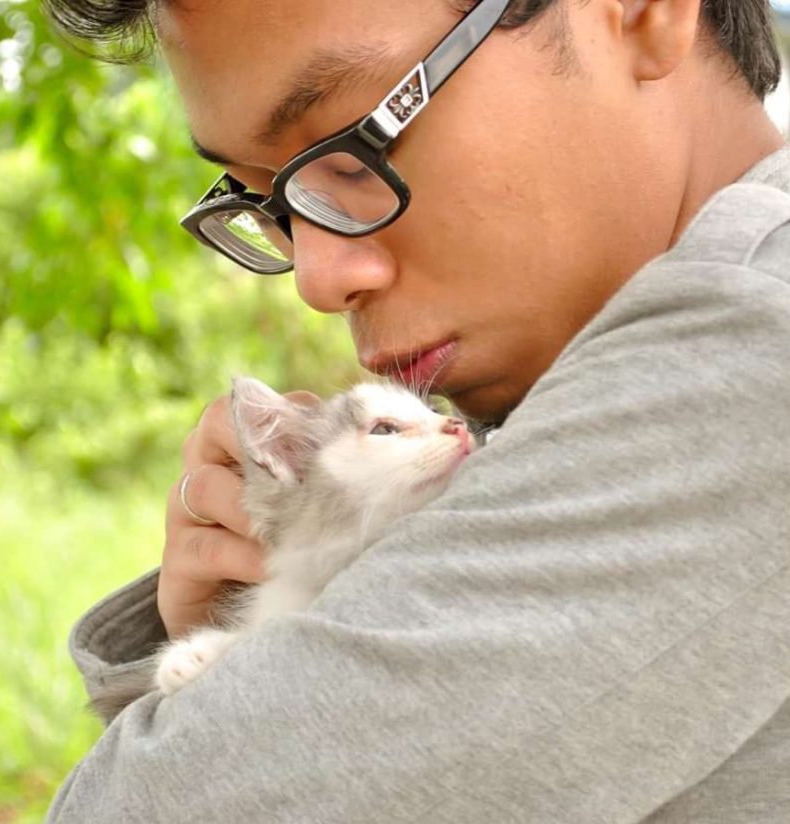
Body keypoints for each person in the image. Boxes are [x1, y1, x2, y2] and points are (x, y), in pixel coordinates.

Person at [43, 1, 790, 821]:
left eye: (358, 149)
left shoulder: (757, 336)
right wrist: (243, 637)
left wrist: (212, 724)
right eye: (270, 203)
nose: (318, 280)